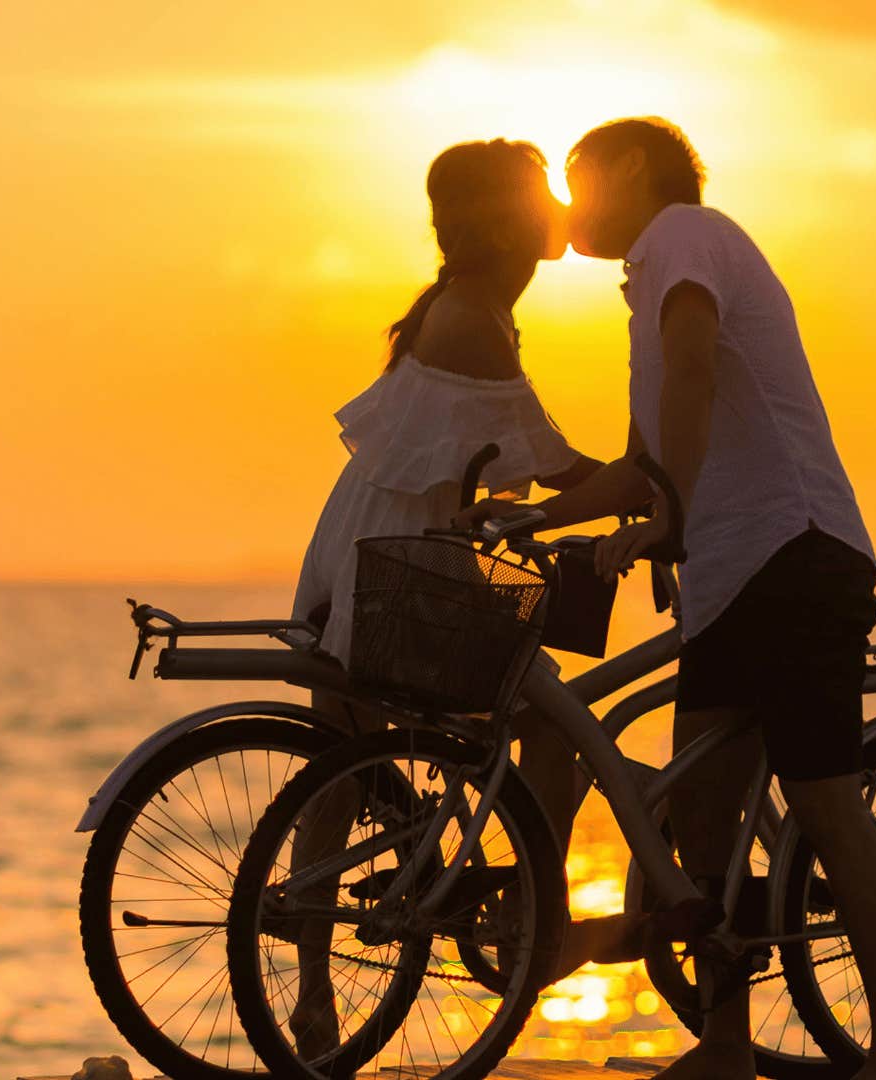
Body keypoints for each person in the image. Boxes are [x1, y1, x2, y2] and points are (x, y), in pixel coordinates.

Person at [458, 117, 876, 1080]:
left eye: (579, 177)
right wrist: (528, 527)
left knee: (824, 802)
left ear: (633, 167)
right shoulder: (651, 287)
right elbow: (642, 465)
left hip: (795, 552)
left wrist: (665, 510)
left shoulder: (682, 234)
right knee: (707, 819)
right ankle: (723, 1048)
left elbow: (697, 369)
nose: (568, 203)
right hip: (729, 578)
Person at [284, 137, 601, 1057]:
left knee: (337, 774)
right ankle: (534, 914)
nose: (560, 206)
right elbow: (554, 460)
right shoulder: (475, 322)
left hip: (368, 557)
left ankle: (312, 1000)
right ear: (505, 219)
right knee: (555, 728)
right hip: (408, 574)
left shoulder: (459, 309)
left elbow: (484, 461)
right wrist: (661, 486)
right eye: (545, 192)